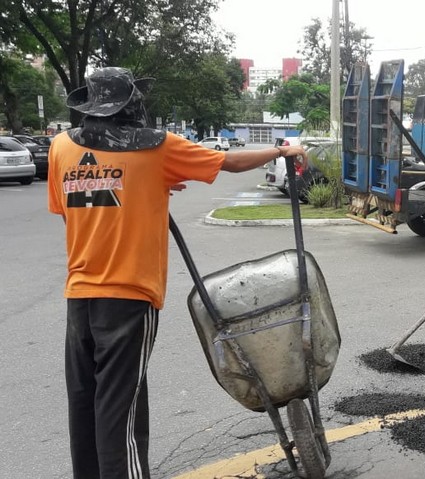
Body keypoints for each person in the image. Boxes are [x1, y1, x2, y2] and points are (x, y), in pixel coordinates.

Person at [47, 66, 307, 479]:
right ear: (133, 104)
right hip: (128, 298)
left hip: (79, 295)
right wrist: (280, 152)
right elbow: (230, 162)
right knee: (122, 413)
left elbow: (79, 212)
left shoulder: (61, 147)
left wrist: (147, 189)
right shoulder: (157, 148)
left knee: (85, 402)